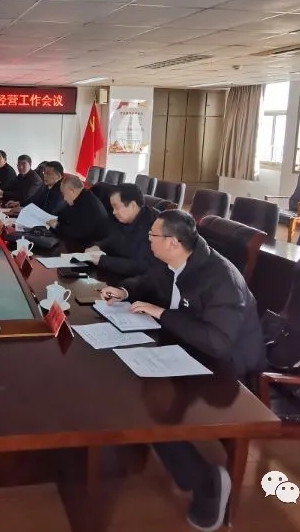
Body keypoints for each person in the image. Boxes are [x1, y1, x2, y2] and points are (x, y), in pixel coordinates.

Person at [99, 210, 265, 532]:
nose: (147, 240)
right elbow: (148, 282)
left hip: (228, 368)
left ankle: (206, 483)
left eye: (152, 236)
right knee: (129, 381)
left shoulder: (220, 279)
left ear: (173, 242)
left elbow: (217, 343)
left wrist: (161, 313)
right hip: (188, 346)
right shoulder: (173, 261)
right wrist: (125, 292)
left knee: (150, 405)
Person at [86, 183, 159, 278]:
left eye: (116, 207)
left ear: (132, 205)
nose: (114, 212)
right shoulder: (125, 219)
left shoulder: (154, 226)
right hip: (123, 276)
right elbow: (114, 240)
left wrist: (102, 260)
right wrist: (98, 246)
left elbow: (140, 266)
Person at [46, 175, 110, 247]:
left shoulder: (88, 205)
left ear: (71, 191)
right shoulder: (83, 196)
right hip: (84, 240)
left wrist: (57, 226)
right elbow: (66, 213)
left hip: (92, 247)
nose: (64, 198)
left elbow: (76, 232)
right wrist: (58, 220)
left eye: (64, 194)